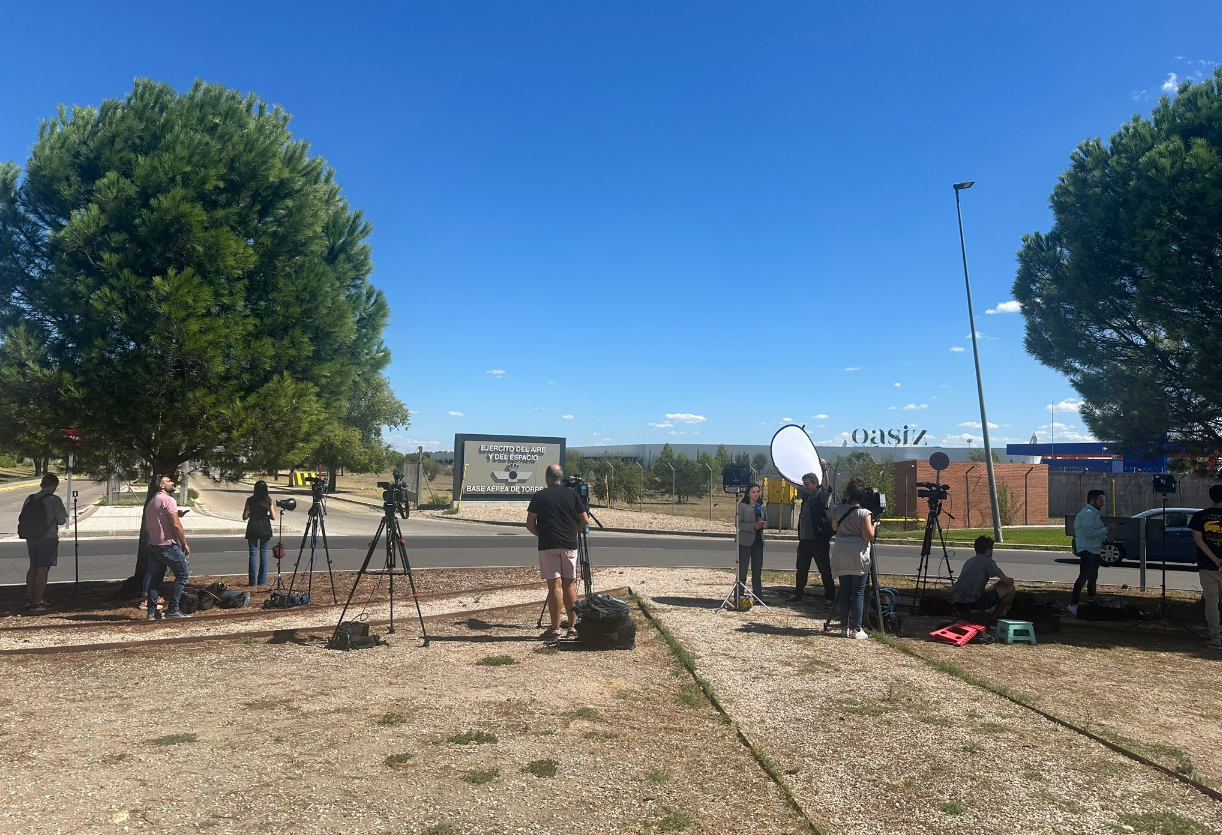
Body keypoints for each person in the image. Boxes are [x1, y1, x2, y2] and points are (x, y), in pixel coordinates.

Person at [526, 464, 589, 641]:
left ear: (547, 477)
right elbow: (584, 519)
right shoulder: (573, 494)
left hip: (548, 545)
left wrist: (542, 534)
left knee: (554, 585)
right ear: (561, 477)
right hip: (569, 544)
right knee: (569, 584)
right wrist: (573, 531)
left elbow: (530, 523)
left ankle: (554, 629)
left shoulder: (540, 496)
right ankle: (572, 627)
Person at [830, 477, 877, 639]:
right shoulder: (864, 513)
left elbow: (835, 527)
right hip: (857, 556)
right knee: (858, 592)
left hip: (841, 553)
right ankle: (857, 629)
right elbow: (868, 536)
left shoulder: (837, 510)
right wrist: (874, 526)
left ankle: (844, 627)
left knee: (844, 591)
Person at [143, 474, 192, 620]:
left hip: (154, 545)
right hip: (168, 546)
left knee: (155, 579)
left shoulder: (152, 502)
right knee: (182, 575)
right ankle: (173, 610)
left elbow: (147, 527)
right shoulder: (168, 500)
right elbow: (176, 526)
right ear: (162, 486)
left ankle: (151, 612)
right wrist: (184, 543)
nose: (173, 482)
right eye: (169, 481)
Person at [18, 473, 68, 613]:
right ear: (53, 486)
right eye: (55, 487)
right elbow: (61, 520)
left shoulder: (30, 498)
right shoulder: (54, 500)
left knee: (33, 566)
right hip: (48, 538)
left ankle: (29, 598)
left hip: (31, 537)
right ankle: (37, 601)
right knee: (43, 569)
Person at [790, 464, 836, 606]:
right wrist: (781, 472)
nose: (805, 487)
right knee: (801, 569)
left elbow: (827, 485)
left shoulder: (822, 496)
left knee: (824, 570)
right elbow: (794, 485)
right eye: (804, 484)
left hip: (818, 541)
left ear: (815, 484)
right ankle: (798, 595)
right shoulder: (806, 495)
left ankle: (830, 597)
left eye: (808, 484)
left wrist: (824, 470)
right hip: (804, 541)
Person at [1069, 489, 1118, 616]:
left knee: (1093, 577)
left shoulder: (1094, 514)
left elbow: (1097, 532)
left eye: (1103, 501)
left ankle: (1092, 601)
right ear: (1092, 501)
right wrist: (1107, 529)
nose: (1103, 504)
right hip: (1087, 549)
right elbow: (1089, 533)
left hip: (1095, 549)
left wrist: (1106, 538)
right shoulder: (1087, 514)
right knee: (1083, 577)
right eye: (1101, 501)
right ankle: (1073, 604)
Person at [1189, 484, 1222, 650]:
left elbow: (1198, 539)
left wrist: (1216, 560)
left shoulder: (1200, 516)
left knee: (1211, 601)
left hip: (1207, 564)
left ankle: (1216, 636)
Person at [952, 535, 1015, 620]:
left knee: (997, 585)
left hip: (958, 602)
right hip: (971, 604)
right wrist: (1010, 580)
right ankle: (994, 617)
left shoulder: (970, 561)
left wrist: (998, 585)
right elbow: (1008, 582)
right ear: (988, 550)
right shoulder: (988, 561)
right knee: (1011, 589)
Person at [735, 483, 767, 602]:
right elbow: (738, 523)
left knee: (757, 570)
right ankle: (738, 596)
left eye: (758, 491)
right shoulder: (742, 506)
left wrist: (763, 524)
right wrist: (753, 526)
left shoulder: (761, 506)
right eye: (753, 492)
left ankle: (758, 597)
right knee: (742, 570)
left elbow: (767, 521)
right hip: (745, 541)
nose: (756, 494)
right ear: (748, 493)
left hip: (758, 541)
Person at [242, 480, 276, 586]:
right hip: (265, 526)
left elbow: (244, 517)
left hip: (253, 526)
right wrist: (266, 516)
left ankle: (253, 582)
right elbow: (274, 516)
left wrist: (251, 513)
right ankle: (263, 581)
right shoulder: (268, 500)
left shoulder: (250, 500)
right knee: (264, 554)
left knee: (253, 554)